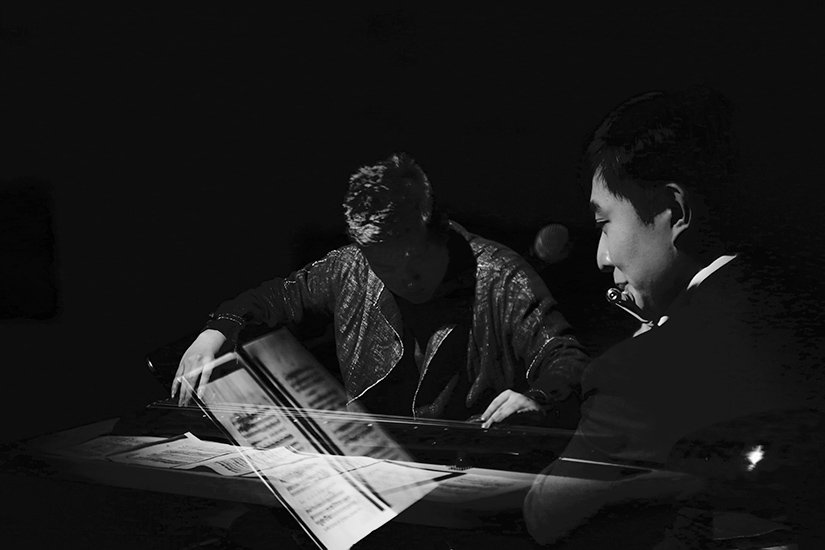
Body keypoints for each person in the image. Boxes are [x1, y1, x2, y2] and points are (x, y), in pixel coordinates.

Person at [523, 86, 803, 546]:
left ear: (674, 211)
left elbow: (545, 516)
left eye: (605, 224)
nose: (602, 258)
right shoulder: (796, 303)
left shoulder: (637, 373)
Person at [172, 152, 589, 427]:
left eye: (417, 260)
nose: (407, 279)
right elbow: (273, 298)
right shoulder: (349, 267)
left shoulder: (502, 275)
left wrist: (538, 398)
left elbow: (565, 356)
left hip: (471, 461)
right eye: (386, 266)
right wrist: (216, 330)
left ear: (438, 230)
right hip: (372, 463)